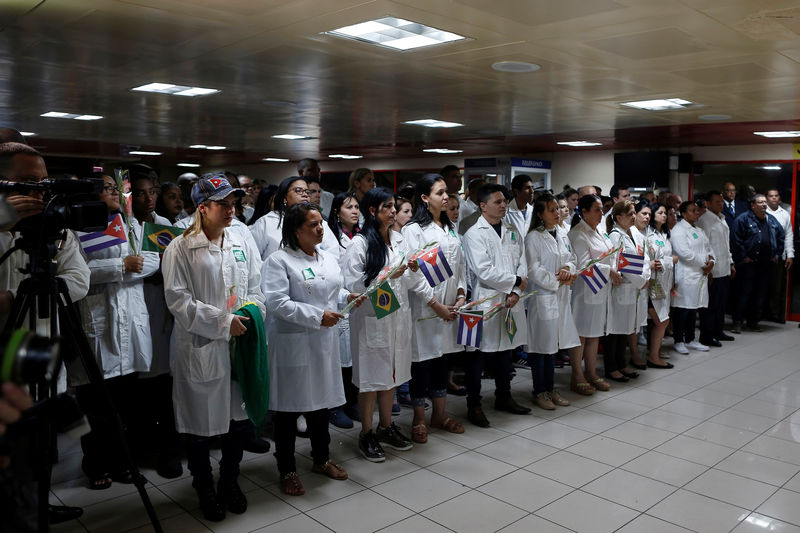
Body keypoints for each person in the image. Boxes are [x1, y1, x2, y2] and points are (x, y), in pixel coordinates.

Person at [162, 175, 265, 522]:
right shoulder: (180, 247)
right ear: (202, 208)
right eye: (223, 204)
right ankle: (203, 484)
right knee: (200, 426)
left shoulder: (242, 239)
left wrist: (252, 314)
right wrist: (222, 322)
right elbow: (178, 301)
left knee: (237, 422)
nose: (231, 209)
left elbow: (257, 286)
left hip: (240, 344)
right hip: (201, 346)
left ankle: (230, 481)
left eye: (233, 203)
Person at [0, 142, 89, 526]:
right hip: (3, 361)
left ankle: (37, 500)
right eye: (25, 183)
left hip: (39, 349)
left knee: (41, 440)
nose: (37, 192)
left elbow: (79, 280)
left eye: (42, 183)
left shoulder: (55, 227)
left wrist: (40, 289)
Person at [264, 202, 362, 496]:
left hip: (323, 345)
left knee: (321, 406)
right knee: (288, 411)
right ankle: (287, 469)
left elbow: (333, 290)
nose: (321, 229)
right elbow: (277, 303)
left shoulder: (328, 258)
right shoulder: (279, 261)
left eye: (321, 223)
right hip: (293, 345)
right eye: (313, 225)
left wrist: (348, 296)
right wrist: (318, 316)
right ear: (296, 231)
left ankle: (322, 458)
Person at [75, 173, 159, 490]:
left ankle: (125, 463)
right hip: (98, 324)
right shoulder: (77, 229)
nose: (114, 193)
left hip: (131, 325)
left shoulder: (132, 225)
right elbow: (75, 272)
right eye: (108, 188)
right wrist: (121, 267)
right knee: (96, 407)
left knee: (127, 406)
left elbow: (153, 259)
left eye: (115, 188)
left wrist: (132, 265)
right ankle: (95, 465)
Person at [342, 188, 429, 461]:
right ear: (372, 211)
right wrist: (391, 275)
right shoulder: (360, 244)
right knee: (370, 378)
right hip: (372, 318)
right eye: (387, 207)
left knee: (391, 373)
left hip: (397, 318)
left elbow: (411, 279)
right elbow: (354, 284)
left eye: (394, 206)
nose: (393, 211)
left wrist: (413, 269)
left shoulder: (399, 239)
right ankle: (366, 432)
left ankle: (386, 426)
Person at [402, 174, 466, 442]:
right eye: (440, 193)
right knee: (422, 364)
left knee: (442, 360)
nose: (446, 197)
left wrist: (462, 292)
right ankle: (419, 418)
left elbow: (460, 265)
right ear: (425, 198)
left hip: (450, 306)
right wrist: (435, 304)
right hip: (425, 309)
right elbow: (411, 274)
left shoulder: (450, 227)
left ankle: (440, 414)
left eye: (446, 193)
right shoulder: (413, 230)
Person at [462, 183, 531, 427]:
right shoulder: (474, 233)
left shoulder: (513, 230)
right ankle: (474, 404)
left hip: (510, 299)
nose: (504, 205)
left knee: (506, 350)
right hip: (485, 300)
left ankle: (504, 396)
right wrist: (514, 282)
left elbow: (522, 262)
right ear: (483, 206)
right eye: (498, 202)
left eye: (504, 201)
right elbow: (483, 271)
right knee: (478, 355)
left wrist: (515, 290)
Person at [524, 194, 578, 410]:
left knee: (553, 347)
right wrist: (558, 280)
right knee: (540, 348)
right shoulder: (533, 238)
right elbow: (533, 269)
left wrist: (568, 270)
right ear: (540, 214)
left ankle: (551, 388)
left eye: (557, 209)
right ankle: (540, 391)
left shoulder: (563, 233)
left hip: (561, 297)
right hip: (543, 297)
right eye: (551, 210)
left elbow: (572, 259)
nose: (557, 213)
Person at [568, 195, 617, 395]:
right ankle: (577, 374)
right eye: (596, 209)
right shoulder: (578, 234)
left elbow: (611, 254)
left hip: (602, 290)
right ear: (584, 211)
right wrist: (610, 271)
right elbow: (583, 265)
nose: (601, 213)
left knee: (594, 333)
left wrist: (614, 268)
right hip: (585, 290)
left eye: (601, 209)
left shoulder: (601, 232)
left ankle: (591, 372)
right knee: (581, 334)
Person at [326, 192, 362, 428]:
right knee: (338, 358)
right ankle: (335, 406)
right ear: (337, 211)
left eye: (357, 207)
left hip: (357, 301)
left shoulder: (362, 237)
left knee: (354, 358)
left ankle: (352, 401)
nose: (355, 211)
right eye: (349, 207)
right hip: (338, 303)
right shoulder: (330, 238)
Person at [604, 200, 650, 381]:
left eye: (634, 213)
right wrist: (642, 281)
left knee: (625, 329)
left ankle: (621, 364)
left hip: (633, 288)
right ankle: (611, 367)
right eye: (630, 214)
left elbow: (644, 259)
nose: (634, 216)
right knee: (615, 330)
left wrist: (645, 278)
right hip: (622, 288)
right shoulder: (616, 236)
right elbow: (625, 264)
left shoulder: (630, 234)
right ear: (618, 217)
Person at [730, 194, 784, 333]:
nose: (764, 205)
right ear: (752, 205)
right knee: (744, 293)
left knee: (760, 294)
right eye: (760, 203)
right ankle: (737, 322)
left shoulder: (771, 220)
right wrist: (744, 256)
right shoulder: (742, 219)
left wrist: (776, 254)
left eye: (765, 202)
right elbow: (736, 240)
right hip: (749, 264)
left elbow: (781, 236)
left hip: (765, 264)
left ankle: (753, 322)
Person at [671, 201, 715, 354]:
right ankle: (678, 340)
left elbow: (709, 248)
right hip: (686, 276)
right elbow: (684, 253)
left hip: (699, 275)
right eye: (693, 210)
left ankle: (690, 339)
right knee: (683, 309)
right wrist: (704, 263)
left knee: (693, 308)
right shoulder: (679, 230)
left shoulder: (699, 230)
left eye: (697, 210)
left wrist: (711, 261)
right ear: (683, 214)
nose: (697, 213)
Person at [696, 190, 735, 346]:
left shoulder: (722, 219)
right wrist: (707, 269)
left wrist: (731, 263)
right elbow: (703, 246)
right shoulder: (705, 221)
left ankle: (718, 331)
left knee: (721, 304)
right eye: (717, 202)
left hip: (724, 268)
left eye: (721, 201)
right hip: (713, 270)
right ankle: (707, 335)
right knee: (710, 306)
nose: (721, 204)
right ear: (708, 203)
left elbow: (726, 245)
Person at [645, 203, 675, 368]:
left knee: (662, 319)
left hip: (663, 282)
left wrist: (668, 262)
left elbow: (667, 258)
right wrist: (670, 261)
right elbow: (656, 260)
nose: (664, 215)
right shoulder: (649, 234)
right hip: (652, 283)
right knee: (661, 320)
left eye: (666, 213)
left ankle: (654, 353)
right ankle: (653, 356)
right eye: (660, 212)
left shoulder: (664, 233)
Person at [765, 189, 794, 323]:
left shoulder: (785, 214)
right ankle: (760, 313)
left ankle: (774, 314)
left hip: (779, 255)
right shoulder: (762, 212)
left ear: (779, 198)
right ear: (767, 198)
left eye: (776, 196)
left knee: (777, 287)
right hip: (764, 256)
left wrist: (790, 254)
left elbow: (788, 235)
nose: (774, 198)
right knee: (763, 286)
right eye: (771, 196)